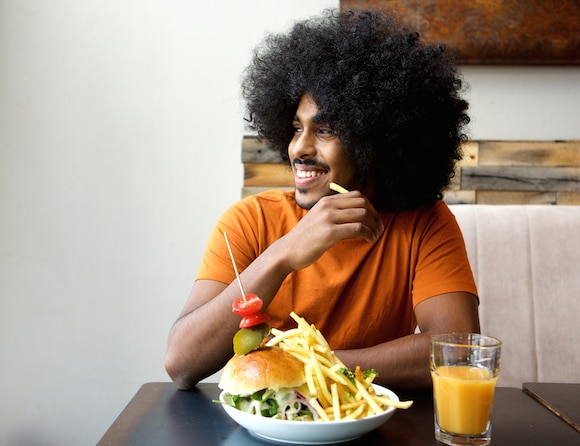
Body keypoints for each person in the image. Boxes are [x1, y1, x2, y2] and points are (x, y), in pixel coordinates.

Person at [165, 8, 480, 391]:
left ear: (375, 140)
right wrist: (282, 254)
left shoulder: (424, 222)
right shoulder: (249, 221)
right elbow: (181, 364)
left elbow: (457, 351)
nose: (299, 147)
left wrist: (308, 365)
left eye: (326, 129)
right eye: (297, 128)